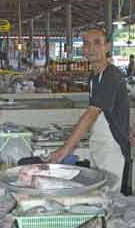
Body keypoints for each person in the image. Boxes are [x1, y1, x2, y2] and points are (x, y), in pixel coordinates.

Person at [47, 28, 130, 191]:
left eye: (97, 43)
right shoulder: (94, 76)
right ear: (83, 49)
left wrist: (64, 150)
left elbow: (92, 113)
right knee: (96, 192)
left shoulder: (111, 75)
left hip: (111, 146)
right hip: (98, 142)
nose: (91, 48)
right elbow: (112, 110)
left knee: (108, 197)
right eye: (86, 43)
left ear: (107, 46)